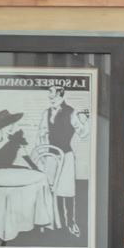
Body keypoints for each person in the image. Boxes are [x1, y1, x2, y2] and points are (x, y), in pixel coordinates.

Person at [40, 85, 89, 236]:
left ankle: (71, 223)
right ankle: (54, 223)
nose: (50, 97)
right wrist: (43, 154)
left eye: (52, 94)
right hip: (50, 156)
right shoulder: (46, 113)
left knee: (67, 191)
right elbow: (42, 133)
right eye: (49, 94)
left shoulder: (70, 112)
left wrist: (85, 120)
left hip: (66, 156)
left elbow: (83, 133)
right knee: (50, 189)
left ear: (60, 95)